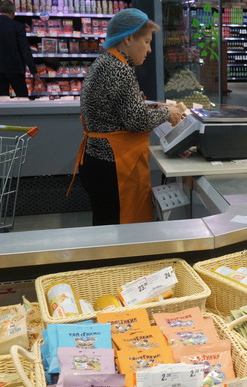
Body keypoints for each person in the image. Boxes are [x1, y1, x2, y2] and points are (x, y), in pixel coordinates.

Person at [71, 8, 183, 226]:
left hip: (99, 160)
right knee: (118, 231)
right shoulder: (119, 69)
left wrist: (154, 107)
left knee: (106, 225)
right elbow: (136, 121)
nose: (149, 50)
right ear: (129, 38)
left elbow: (123, 110)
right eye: (147, 42)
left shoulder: (106, 62)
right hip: (113, 165)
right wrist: (167, 112)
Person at [0, 0, 41, 97]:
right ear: (13, 12)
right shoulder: (18, 26)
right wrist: (34, 72)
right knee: (22, 97)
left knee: (2, 99)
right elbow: (25, 50)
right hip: (15, 69)